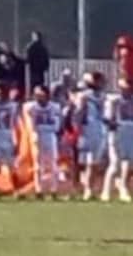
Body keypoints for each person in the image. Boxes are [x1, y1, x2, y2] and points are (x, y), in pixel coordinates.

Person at [72, 72, 110, 202]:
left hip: (100, 129)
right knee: (85, 162)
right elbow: (78, 113)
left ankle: (90, 188)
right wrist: (78, 128)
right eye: (99, 81)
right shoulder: (84, 96)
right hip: (88, 129)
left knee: (95, 162)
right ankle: (84, 189)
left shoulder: (104, 96)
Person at [26, 85, 65, 197]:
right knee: (37, 164)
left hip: (50, 135)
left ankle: (54, 189)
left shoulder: (55, 107)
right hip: (37, 135)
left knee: (53, 163)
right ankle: (39, 189)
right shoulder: (31, 107)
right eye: (36, 94)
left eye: (40, 94)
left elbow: (59, 123)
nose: (37, 97)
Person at [106, 81, 133, 203]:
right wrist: (116, 125)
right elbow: (108, 119)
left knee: (127, 163)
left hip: (130, 132)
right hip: (117, 133)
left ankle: (123, 188)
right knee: (115, 163)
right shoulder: (114, 101)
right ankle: (106, 191)